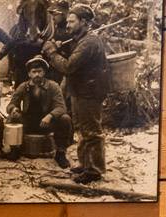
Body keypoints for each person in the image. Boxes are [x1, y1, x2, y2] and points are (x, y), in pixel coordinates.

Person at [42, 3, 109, 183]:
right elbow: (74, 61)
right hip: (81, 91)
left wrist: (51, 51)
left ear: (84, 22)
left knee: (92, 131)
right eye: (68, 21)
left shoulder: (89, 42)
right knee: (82, 129)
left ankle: (94, 171)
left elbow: (69, 66)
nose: (68, 25)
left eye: (72, 21)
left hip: (89, 92)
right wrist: (60, 49)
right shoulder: (81, 40)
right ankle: (85, 164)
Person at [6, 55, 72, 168]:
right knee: (12, 118)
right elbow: (10, 105)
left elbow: (61, 107)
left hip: (46, 123)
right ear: (29, 74)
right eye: (34, 72)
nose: (37, 74)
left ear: (44, 72)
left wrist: (50, 116)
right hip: (28, 122)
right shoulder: (23, 86)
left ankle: (60, 153)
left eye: (39, 71)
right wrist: (14, 109)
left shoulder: (53, 86)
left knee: (65, 118)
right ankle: (15, 149)